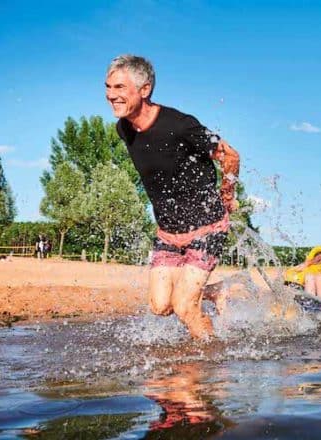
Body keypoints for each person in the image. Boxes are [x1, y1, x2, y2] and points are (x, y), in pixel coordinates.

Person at [105, 55, 240, 340]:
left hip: (206, 226)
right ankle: (216, 291)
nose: (111, 95)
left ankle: (206, 372)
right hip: (168, 232)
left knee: (184, 306)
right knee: (160, 306)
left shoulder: (179, 125)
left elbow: (230, 155)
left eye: (119, 87)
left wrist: (228, 191)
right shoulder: (124, 128)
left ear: (145, 90)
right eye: (108, 87)